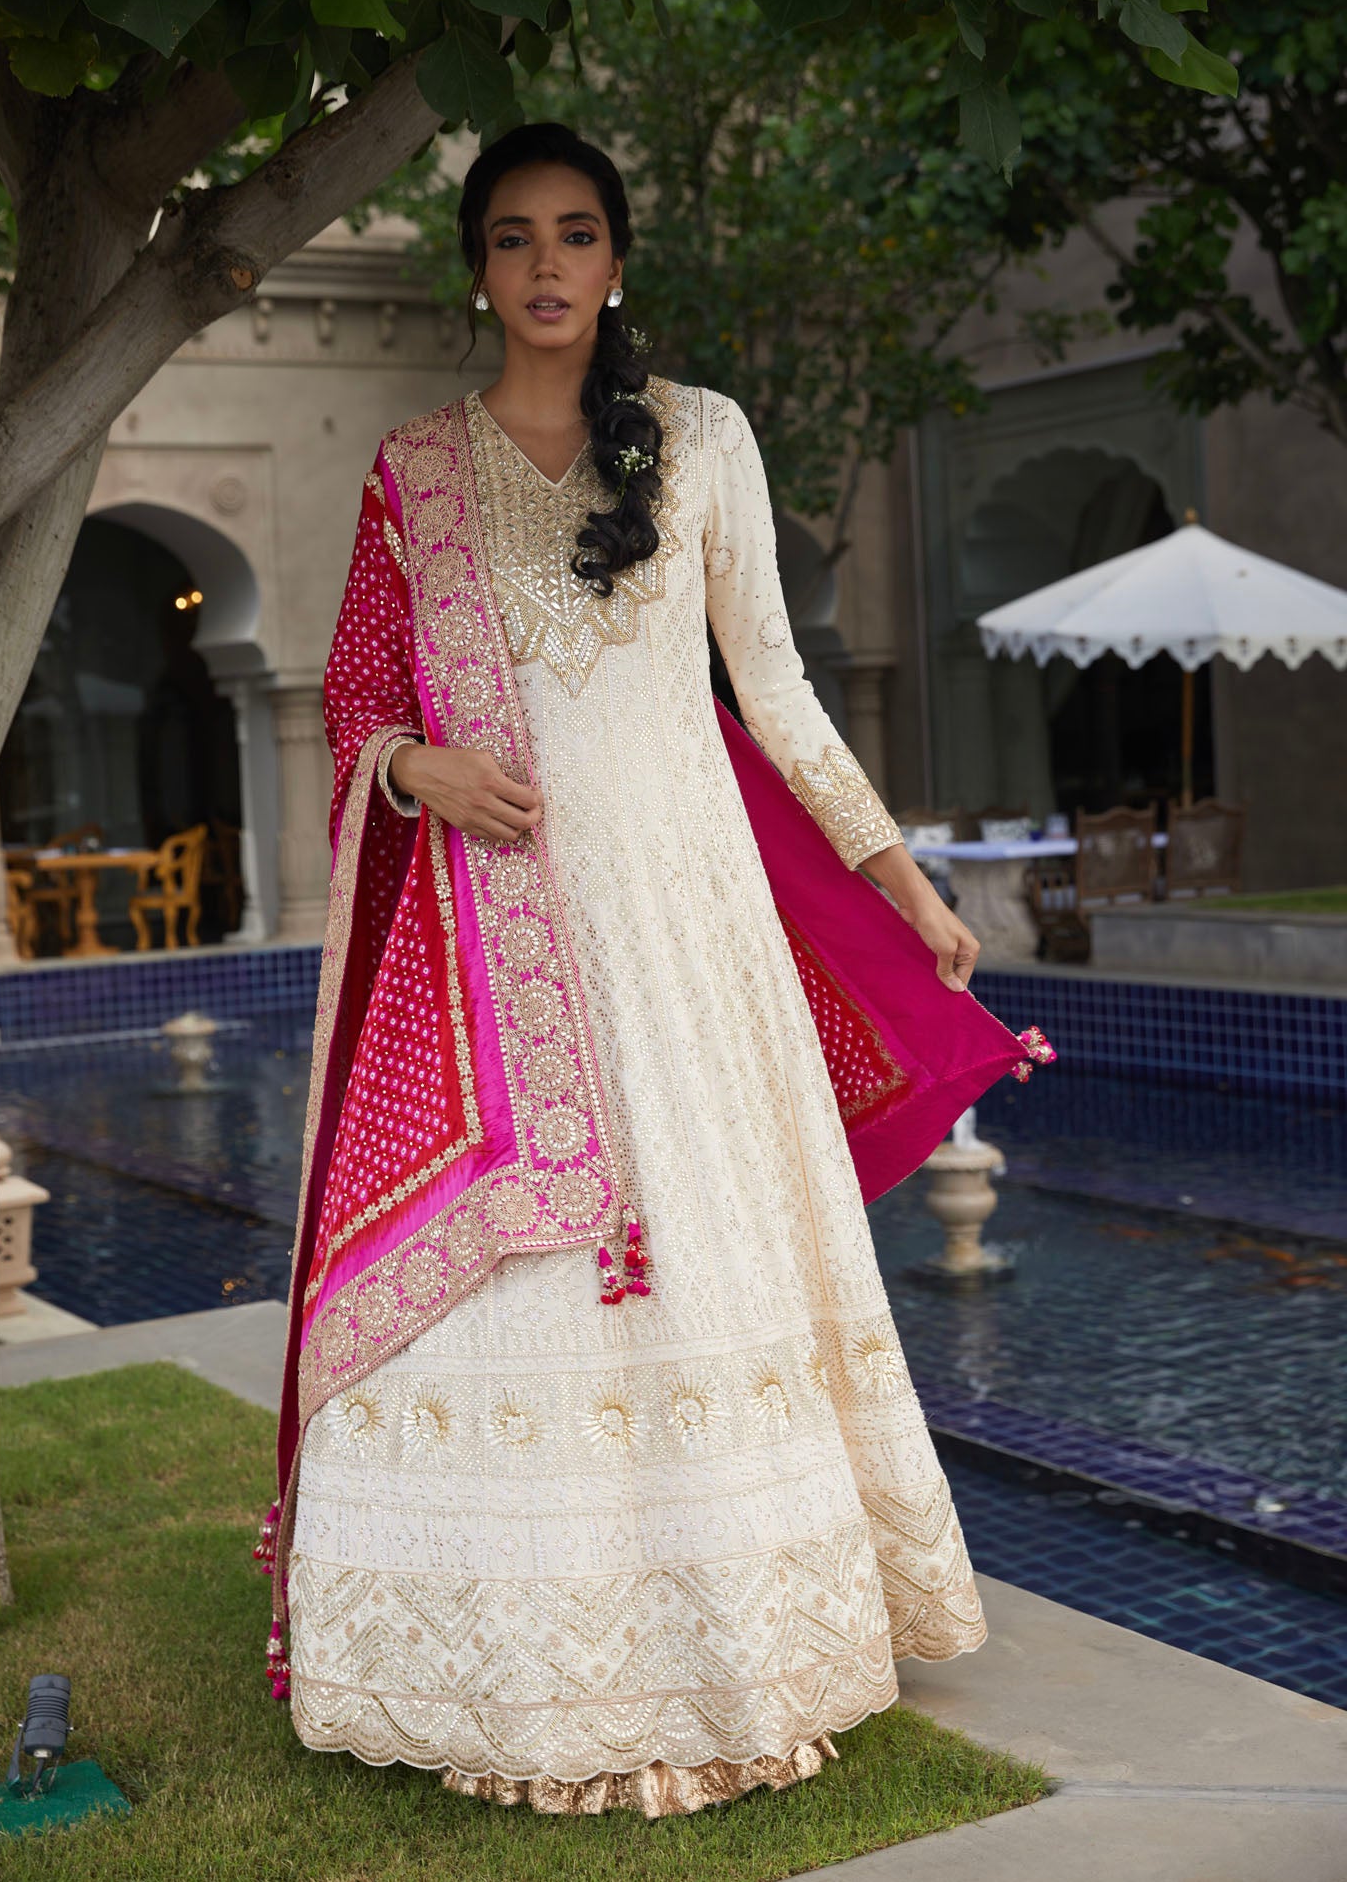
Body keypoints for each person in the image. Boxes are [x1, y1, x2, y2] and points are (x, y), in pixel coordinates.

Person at [259, 122, 1040, 1820]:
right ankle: (516, 1660)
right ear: (479, 269)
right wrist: (417, 767)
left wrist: (902, 879)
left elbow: (779, 690)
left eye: (576, 232)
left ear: (618, 261)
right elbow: (359, 697)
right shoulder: (415, 470)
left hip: (687, 932)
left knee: (703, 1261)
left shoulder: (702, 439)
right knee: (526, 1297)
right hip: (498, 946)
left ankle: (735, 1644)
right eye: (513, 236)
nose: (546, 264)